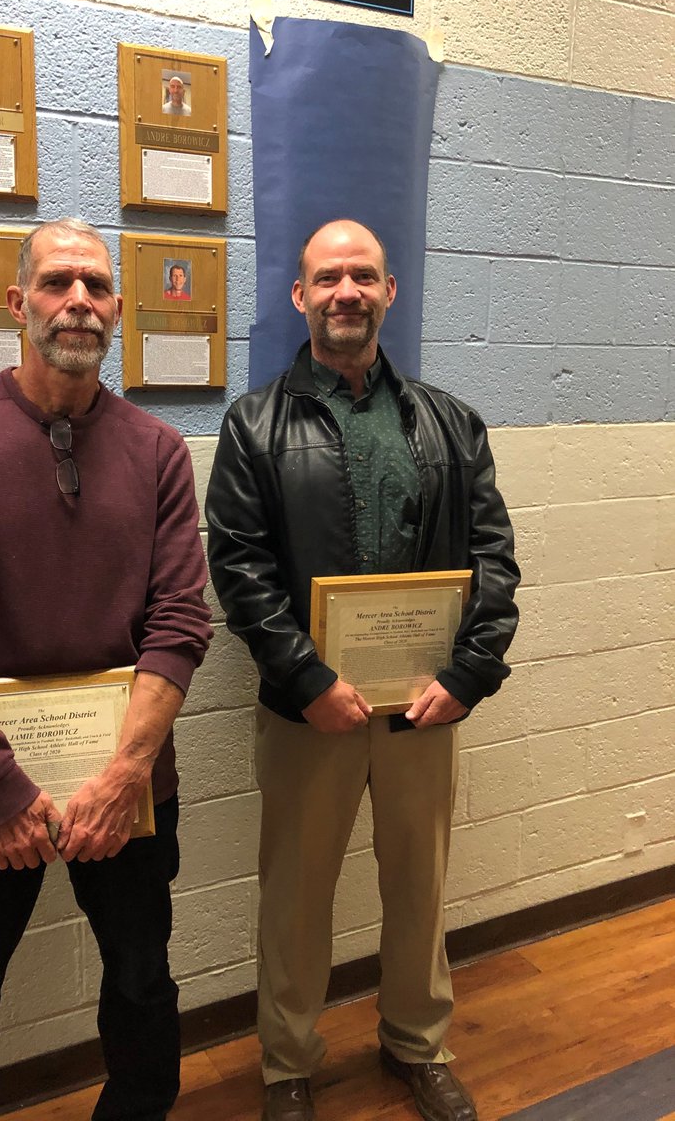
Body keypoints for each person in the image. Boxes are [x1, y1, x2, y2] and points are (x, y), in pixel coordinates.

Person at [0, 216, 212, 1121]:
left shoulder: (157, 449)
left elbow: (181, 619)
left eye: (98, 286)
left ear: (118, 308)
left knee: (144, 985)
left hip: (130, 778)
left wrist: (126, 774)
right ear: (17, 300)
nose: (80, 301)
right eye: (58, 282)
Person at [205, 219, 519, 1121]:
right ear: (300, 297)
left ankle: (416, 1044)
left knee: (420, 887)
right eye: (328, 277)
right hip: (311, 713)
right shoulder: (253, 425)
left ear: (390, 293)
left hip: (425, 709)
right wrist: (308, 681)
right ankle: (287, 1066)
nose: (347, 291)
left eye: (364, 277)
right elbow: (240, 565)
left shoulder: (452, 423)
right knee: (296, 895)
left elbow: (494, 557)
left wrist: (468, 673)